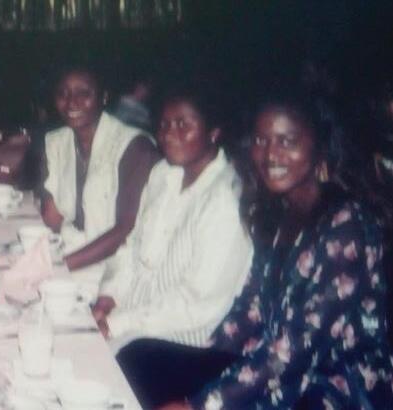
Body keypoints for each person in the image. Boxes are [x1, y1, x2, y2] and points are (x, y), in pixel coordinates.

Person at [161, 95, 393, 409]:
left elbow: (299, 348)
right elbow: (250, 309)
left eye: (287, 141)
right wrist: (203, 362)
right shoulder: (277, 212)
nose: (270, 154)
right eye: (261, 140)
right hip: (276, 373)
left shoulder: (347, 224)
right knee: (146, 360)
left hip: (334, 389)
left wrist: (202, 404)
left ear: (320, 146)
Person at [91, 89, 252, 407]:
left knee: (100, 378)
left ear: (213, 132)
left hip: (181, 341)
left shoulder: (226, 198)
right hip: (130, 318)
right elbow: (131, 247)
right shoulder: (163, 174)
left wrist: (117, 323)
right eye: (164, 125)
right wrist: (108, 298)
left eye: (183, 124)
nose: (168, 134)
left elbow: (197, 304)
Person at [40, 66, 160, 288]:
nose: (71, 102)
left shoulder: (134, 147)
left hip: (115, 272)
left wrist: (57, 267)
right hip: (70, 255)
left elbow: (126, 230)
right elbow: (52, 216)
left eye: (83, 93)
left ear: (103, 97)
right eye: (63, 93)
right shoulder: (57, 141)